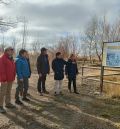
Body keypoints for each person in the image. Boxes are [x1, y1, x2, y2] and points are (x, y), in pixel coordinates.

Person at [0, 47, 16, 113]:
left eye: (12, 50)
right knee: (2, 92)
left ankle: (8, 103)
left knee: (8, 91)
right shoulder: (2, 58)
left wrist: (13, 76)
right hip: (5, 79)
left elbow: (13, 68)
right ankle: (0, 106)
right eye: (11, 50)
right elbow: (1, 69)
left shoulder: (11, 58)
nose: (12, 51)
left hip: (10, 78)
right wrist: (4, 78)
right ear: (6, 51)